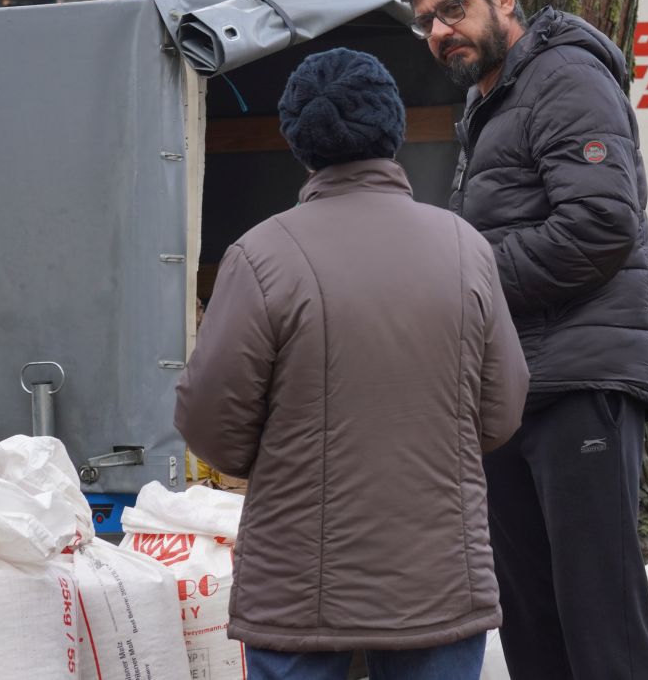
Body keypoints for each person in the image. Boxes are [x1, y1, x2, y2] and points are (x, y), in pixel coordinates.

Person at [174, 47, 529, 680]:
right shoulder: (465, 248)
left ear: (298, 141)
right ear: (393, 129)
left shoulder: (261, 255)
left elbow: (211, 425)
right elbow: (500, 411)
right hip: (438, 575)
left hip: (297, 582)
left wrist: (284, 456)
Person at [396, 0, 648, 680]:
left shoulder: (564, 76)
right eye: (427, 22)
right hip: (516, 388)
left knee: (601, 623)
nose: (440, 31)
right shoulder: (489, 98)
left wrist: (469, 278)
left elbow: (599, 226)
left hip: (579, 384)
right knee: (529, 617)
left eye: (452, 8)